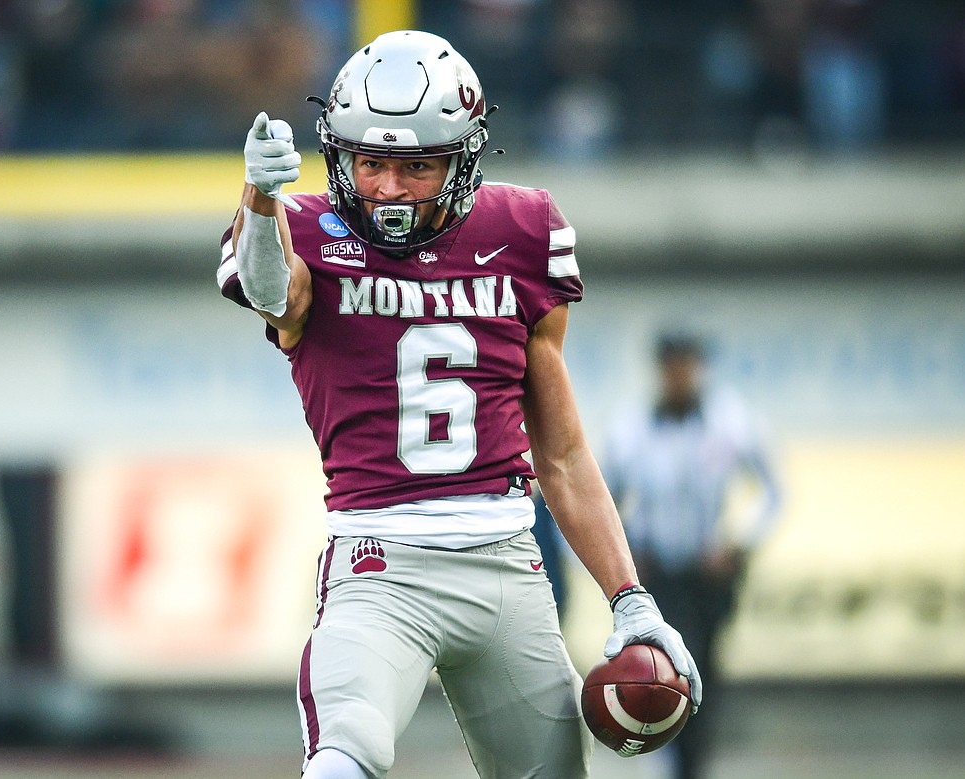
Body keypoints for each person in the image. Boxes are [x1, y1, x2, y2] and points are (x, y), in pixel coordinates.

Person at [216, 30, 700, 779]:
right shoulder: (304, 231)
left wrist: (631, 598)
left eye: (415, 167)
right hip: (378, 566)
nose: (385, 188)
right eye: (369, 161)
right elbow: (271, 289)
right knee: (347, 758)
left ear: (464, 159)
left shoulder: (522, 233)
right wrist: (259, 198)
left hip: (507, 564)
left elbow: (563, 455)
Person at [601, 333, 782, 779]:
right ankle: (665, 761)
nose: (679, 376)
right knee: (658, 671)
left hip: (708, 576)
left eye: (687, 365)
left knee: (701, 670)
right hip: (656, 576)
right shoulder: (631, 429)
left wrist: (740, 543)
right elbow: (600, 500)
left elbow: (774, 492)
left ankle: (689, 765)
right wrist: (624, 551)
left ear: (699, 368)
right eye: (671, 366)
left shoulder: (730, 422)